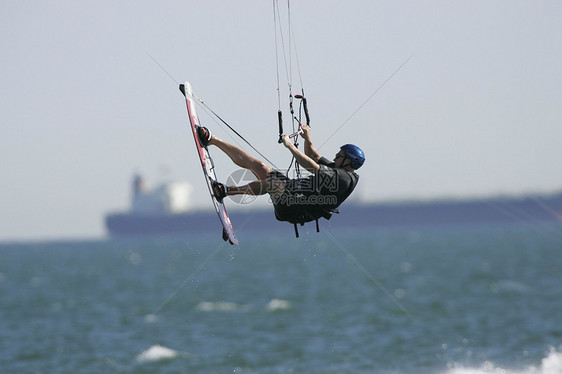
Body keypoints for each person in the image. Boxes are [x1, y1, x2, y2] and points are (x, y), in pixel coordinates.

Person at [197, 125, 364, 226]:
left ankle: (225, 191)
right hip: (292, 191)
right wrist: (307, 137)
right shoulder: (338, 167)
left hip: (296, 210)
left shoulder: (343, 179)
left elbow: (311, 165)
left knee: (273, 184)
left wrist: (290, 146)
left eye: (339, 156)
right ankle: (212, 139)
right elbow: (314, 156)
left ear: (349, 162)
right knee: (261, 167)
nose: (335, 157)